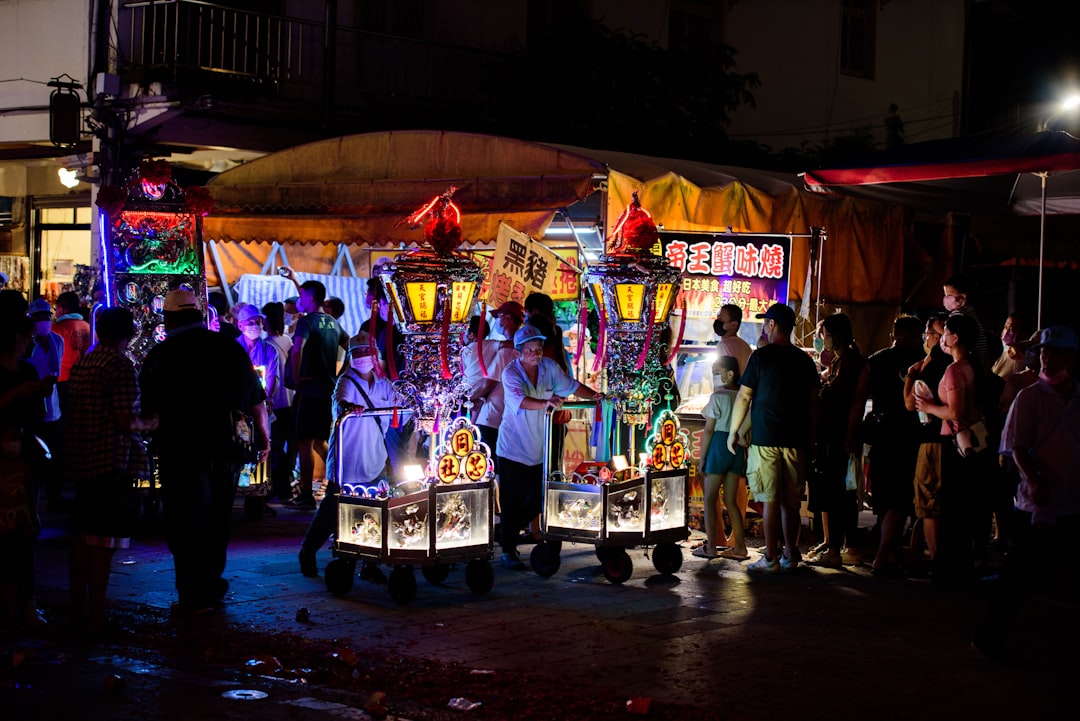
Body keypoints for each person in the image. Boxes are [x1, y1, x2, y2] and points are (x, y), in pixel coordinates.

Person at [139, 289, 269, 615]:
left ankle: (193, 592)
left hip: (181, 451)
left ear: (169, 319)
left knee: (186, 519)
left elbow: (149, 411)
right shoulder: (230, 349)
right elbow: (257, 401)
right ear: (199, 315)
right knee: (218, 518)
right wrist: (263, 438)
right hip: (227, 450)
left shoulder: (161, 355)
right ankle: (211, 583)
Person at [972, 325, 1080, 660]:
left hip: (1072, 501)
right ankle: (988, 641)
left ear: (1070, 358)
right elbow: (1016, 447)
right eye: (1044, 352)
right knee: (1016, 576)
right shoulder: (1029, 397)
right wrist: (1033, 480)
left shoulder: (1077, 397)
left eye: (1055, 353)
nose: (1047, 358)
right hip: (1037, 503)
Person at [66, 307, 157, 637]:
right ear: (129, 335)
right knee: (104, 543)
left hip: (81, 457)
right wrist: (150, 422)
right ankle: (96, 616)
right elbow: (124, 419)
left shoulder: (85, 363)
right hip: (110, 461)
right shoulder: (119, 366)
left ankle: (77, 609)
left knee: (82, 539)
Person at [299, 331, 399, 583]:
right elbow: (340, 402)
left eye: (368, 352)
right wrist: (349, 408)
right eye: (358, 353)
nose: (364, 356)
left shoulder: (384, 384)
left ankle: (369, 563)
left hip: (374, 459)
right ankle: (308, 551)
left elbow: (400, 405)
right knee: (332, 511)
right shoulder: (346, 381)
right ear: (351, 357)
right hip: (346, 461)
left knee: (373, 512)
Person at [727, 303, 819, 573]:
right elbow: (813, 403)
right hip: (796, 440)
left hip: (765, 439)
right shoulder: (804, 360)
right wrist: (812, 438)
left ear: (771, 325)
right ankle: (790, 554)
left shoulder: (761, 357)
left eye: (765, 322)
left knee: (770, 500)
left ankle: (770, 557)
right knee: (791, 503)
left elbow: (744, 396)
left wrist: (733, 432)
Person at [497, 324, 599, 569]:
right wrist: (546, 403)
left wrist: (598, 398)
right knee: (512, 501)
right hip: (513, 449)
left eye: (538, 349)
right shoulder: (511, 373)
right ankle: (507, 549)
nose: (535, 353)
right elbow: (521, 401)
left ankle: (506, 533)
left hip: (539, 449)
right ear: (519, 352)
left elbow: (572, 386)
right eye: (530, 349)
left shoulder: (549, 367)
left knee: (539, 499)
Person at [914, 313, 994, 589]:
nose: (941, 337)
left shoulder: (955, 370)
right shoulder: (973, 366)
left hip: (956, 446)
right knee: (966, 510)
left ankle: (950, 571)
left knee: (953, 511)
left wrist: (928, 407)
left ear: (955, 337)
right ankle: (964, 566)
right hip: (971, 445)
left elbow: (955, 412)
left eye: (945, 333)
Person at [0, 295, 55, 631]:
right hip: (4, 463)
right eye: (26, 337)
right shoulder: (11, 375)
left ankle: (27, 602)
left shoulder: (28, 369)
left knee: (26, 530)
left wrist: (38, 393)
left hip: (23, 462)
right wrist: (20, 393)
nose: (29, 343)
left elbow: (38, 417)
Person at [864, 315, 925, 575]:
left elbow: (861, 396)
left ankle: (890, 553)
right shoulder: (923, 361)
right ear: (918, 336)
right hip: (910, 435)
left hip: (882, 434)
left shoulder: (876, 360)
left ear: (893, 334)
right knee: (899, 499)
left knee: (886, 497)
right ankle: (885, 555)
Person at [806, 313, 868, 568]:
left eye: (825, 336)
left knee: (838, 494)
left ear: (835, 336)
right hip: (832, 435)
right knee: (837, 493)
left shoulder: (852, 363)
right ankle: (840, 545)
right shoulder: (840, 361)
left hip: (839, 436)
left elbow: (856, 404)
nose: (824, 341)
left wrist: (850, 437)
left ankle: (835, 550)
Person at [287, 279, 348, 509]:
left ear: (311, 298)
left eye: (302, 296)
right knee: (320, 440)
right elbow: (350, 346)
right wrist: (340, 373)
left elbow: (297, 350)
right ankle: (341, 480)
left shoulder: (306, 322)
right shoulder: (333, 323)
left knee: (305, 441)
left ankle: (305, 495)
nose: (300, 301)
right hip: (328, 390)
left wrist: (296, 378)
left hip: (309, 389)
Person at [902, 313, 954, 576]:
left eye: (931, 333)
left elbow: (910, 403)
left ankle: (937, 561)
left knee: (929, 503)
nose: (928, 337)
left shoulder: (934, 364)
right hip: (952, 442)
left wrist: (910, 376)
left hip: (932, 441)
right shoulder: (958, 365)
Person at [697, 355, 750, 561]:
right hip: (737, 448)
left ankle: (711, 546)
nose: (714, 377)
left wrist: (703, 458)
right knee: (731, 501)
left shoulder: (717, 397)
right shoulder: (743, 396)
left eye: (717, 373)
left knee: (710, 499)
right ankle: (740, 547)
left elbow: (709, 429)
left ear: (730, 374)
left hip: (719, 445)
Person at [468, 305, 521, 462]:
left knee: (488, 465)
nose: (496, 321)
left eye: (499, 317)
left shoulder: (506, 351)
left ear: (508, 318)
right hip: (511, 418)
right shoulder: (522, 348)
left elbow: (487, 383)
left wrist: (468, 398)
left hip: (492, 416)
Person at [26, 298, 64, 513]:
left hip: (54, 409)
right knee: (35, 458)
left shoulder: (57, 340)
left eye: (46, 317)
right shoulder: (26, 344)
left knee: (55, 458)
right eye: (38, 317)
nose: (43, 321)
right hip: (34, 409)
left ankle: (55, 499)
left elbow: (56, 370)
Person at [262, 301, 296, 504]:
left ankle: (281, 488)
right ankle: (286, 484)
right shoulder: (289, 341)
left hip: (275, 402)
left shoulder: (266, 344)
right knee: (287, 446)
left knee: (275, 447)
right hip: (291, 400)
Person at [942, 275, 990, 370]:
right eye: (945, 295)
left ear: (962, 297)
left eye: (949, 295)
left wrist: (940, 330)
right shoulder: (970, 310)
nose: (946, 299)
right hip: (977, 357)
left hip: (968, 357)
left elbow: (952, 338)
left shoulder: (959, 315)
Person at [713, 303, 753, 376]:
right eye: (718, 317)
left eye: (721, 319)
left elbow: (724, 378)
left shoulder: (724, 345)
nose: (717, 321)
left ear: (733, 325)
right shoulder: (745, 345)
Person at [990, 313, 1025, 379]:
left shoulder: (1021, 359)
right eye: (1006, 327)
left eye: (1012, 329)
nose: (1007, 331)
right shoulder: (995, 350)